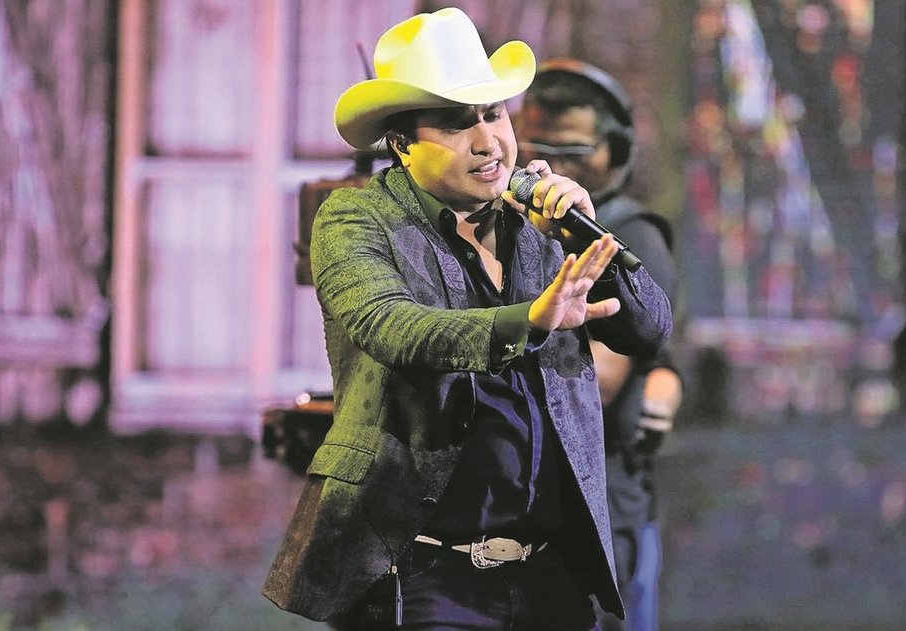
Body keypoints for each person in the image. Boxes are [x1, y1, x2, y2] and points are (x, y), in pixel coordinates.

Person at [263, 8, 672, 631]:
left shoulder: (537, 220)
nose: (488, 141)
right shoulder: (356, 219)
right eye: (457, 124)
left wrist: (586, 235)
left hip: (548, 574)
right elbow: (394, 328)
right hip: (422, 574)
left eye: (494, 114)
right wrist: (529, 320)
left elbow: (649, 329)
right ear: (401, 143)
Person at [517, 59, 684, 631]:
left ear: (616, 152)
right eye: (538, 149)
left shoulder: (630, 235)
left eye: (573, 150)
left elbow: (592, 384)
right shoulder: (516, 228)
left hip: (599, 509)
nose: (554, 166)